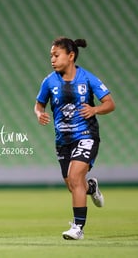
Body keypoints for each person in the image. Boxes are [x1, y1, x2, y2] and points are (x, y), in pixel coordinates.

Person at [34, 37, 115, 240]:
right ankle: (92, 187)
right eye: (51, 55)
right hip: (63, 140)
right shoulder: (49, 81)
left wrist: (95, 109)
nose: (52, 59)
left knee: (75, 177)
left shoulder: (87, 79)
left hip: (86, 135)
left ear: (70, 56)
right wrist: (39, 113)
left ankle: (78, 228)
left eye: (56, 55)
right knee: (73, 184)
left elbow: (109, 103)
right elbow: (39, 104)